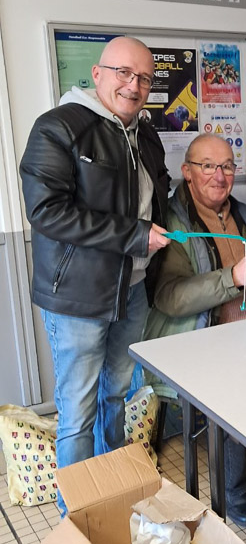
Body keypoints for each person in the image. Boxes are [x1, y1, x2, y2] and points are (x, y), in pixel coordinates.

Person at [20, 36, 171, 495]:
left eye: (144, 77)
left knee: (117, 397)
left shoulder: (145, 132)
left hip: (134, 287)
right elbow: (46, 210)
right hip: (77, 297)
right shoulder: (59, 126)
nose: (134, 85)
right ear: (98, 74)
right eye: (124, 73)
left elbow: (155, 196)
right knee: (77, 412)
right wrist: (133, 236)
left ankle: (115, 491)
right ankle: (81, 517)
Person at [144, 135, 246, 527]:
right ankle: (235, 490)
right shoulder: (174, 224)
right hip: (206, 339)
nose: (219, 175)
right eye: (207, 166)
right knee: (232, 392)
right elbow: (170, 297)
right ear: (187, 173)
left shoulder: (245, 215)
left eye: (226, 166)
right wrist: (233, 277)